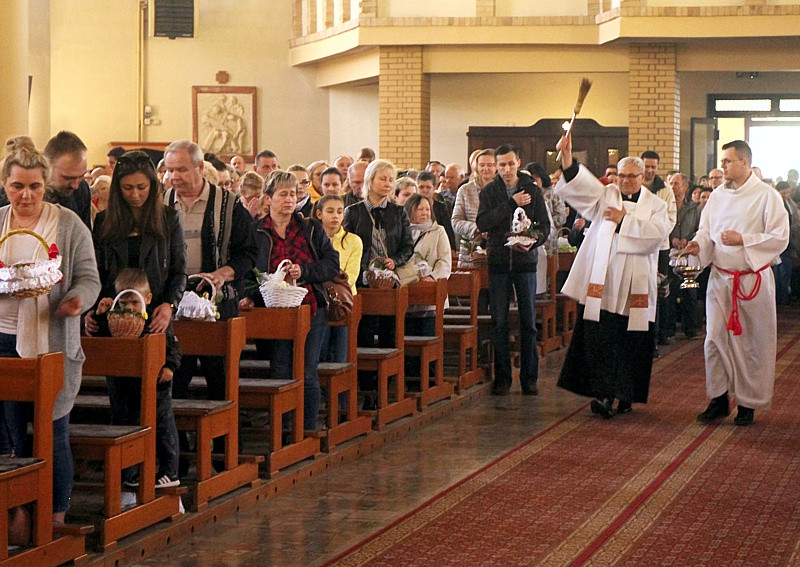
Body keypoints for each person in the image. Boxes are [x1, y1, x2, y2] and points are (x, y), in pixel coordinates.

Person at [0, 136, 100, 536]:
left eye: (35, 186)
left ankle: (56, 516)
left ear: (46, 185)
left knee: (52, 429)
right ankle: (17, 513)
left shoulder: (68, 223)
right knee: (8, 432)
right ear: (5, 185)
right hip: (4, 338)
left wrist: (77, 300)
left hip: (51, 341)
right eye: (17, 186)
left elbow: (90, 278)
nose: (26, 195)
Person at [554, 133, 670, 418]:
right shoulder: (607, 196)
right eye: (621, 176)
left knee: (631, 340)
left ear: (643, 176)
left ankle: (626, 395)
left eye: (632, 176)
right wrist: (568, 159)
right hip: (604, 282)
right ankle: (603, 394)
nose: (626, 181)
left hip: (635, 284)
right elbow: (581, 189)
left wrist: (624, 222)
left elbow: (657, 237)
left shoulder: (657, 205)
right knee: (603, 338)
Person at [162, 140, 257, 462]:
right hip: (173, 307)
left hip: (217, 303)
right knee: (175, 380)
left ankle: (224, 455)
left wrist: (224, 273)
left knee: (220, 380)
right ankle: (180, 455)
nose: (174, 176)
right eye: (170, 169)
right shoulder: (161, 204)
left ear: (200, 168)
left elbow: (249, 253)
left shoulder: (228, 204)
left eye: (181, 169)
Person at [684, 140, 789, 426]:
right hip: (721, 278)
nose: (723, 166)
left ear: (744, 162)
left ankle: (747, 403)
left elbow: (780, 237)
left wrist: (744, 239)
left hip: (751, 279)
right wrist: (697, 245)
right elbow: (706, 230)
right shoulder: (717, 196)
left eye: (728, 161)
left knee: (751, 344)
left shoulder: (767, 196)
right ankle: (718, 398)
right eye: (723, 160)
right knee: (714, 340)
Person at [241, 171, 340, 431]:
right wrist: (250, 296)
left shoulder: (310, 228)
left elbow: (331, 264)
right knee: (280, 371)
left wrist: (303, 271)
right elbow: (247, 268)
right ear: (269, 198)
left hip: (310, 308)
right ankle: (283, 431)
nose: (289, 199)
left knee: (307, 371)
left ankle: (306, 430)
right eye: (283, 194)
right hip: (273, 311)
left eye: (293, 194)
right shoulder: (256, 230)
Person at [92, 269, 182, 489]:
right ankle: (127, 472)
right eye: (123, 302)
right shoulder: (113, 318)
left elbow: (173, 346)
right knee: (123, 423)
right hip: (121, 384)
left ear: (147, 299)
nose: (129, 308)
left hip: (155, 384)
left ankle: (170, 471)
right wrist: (99, 314)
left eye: (134, 302)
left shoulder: (154, 319)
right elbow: (101, 341)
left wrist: (169, 366)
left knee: (162, 425)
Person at [476, 144, 549, 396]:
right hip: (498, 263)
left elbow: (544, 227)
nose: (506, 169)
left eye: (510, 163)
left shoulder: (532, 190)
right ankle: (503, 378)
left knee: (528, 322)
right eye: (501, 164)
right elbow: (483, 222)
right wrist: (510, 203)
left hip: (525, 264)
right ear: (496, 166)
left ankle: (529, 378)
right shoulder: (489, 191)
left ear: (518, 162)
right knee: (499, 323)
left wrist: (533, 241)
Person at [343, 159, 414, 408]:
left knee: (388, 335)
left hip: (389, 284)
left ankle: (384, 392)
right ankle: (367, 392)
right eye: (382, 178)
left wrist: (395, 260)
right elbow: (346, 245)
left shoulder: (398, 211)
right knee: (363, 336)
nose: (387, 184)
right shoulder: (353, 212)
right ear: (370, 181)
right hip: (363, 283)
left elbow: (408, 245)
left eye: (390, 179)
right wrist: (362, 270)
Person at [315, 193, 362, 367]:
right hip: (320, 300)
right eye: (330, 211)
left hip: (345, 301)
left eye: (339, 211)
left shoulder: (353, 241)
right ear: (319, 214)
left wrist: (328, 280)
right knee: (320, 350)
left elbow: (351, 275)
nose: (335, 216)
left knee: (341, 354)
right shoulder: (314, 239)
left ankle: (341, 394)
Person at [664, 173, 701, 339]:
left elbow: (701, 229)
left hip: (688, 253)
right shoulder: (664, 205)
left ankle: (690, 329)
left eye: (676, 183)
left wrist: (689, 239)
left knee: (689, 291)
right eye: (670, 183)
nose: (672, 187)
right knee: (669, 291)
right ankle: (669, 329)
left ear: (685, 186)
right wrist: (672, 239)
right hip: (669, 252)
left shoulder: (695, 207)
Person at [452, 149, 496, 267]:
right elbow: (456, 221)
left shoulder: (503, 190)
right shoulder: (465, 190)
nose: (485, 168)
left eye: (490, 165)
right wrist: (476, 228)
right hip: (471, 252)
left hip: (497, 249)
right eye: (482, 165)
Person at [43, 131, 93, 230]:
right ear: (47, 167)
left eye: (81, 176)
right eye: (68, 178)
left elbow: (85, 235)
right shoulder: (27, 192)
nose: (75, 185)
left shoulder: (82, 189)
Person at [416, 171, 456, 250]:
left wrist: (452, 249)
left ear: (434, 188)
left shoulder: (441, 207)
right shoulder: (411, 206)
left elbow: (448, 229)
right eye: (421, 187)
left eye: (428, 187)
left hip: (437, 244)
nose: (425, 190)